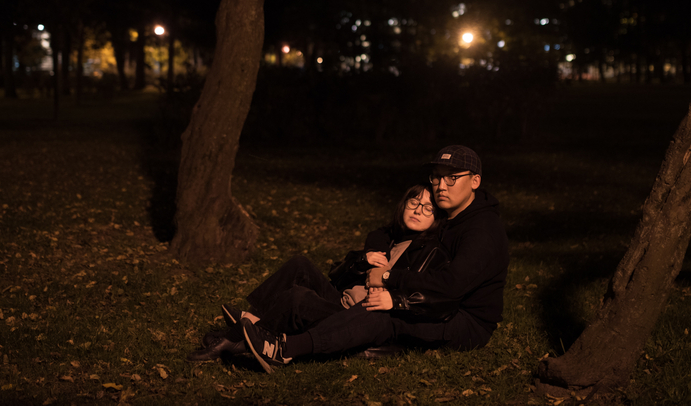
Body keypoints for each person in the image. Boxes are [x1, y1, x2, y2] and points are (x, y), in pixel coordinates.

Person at [241, 145, 509, 373]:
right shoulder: (449, 213)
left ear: (475, 181)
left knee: (384, 312)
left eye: (452, 178)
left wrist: (393, 288)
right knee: (303, 267)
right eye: (437, 177)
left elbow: (451, 286)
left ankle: (285, 349)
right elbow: (387, 231)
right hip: (432, 301)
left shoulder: (482, 230)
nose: (441, 186)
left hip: (462, 320)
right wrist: (378, 257)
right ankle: (247, 328)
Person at [186, 184, 443, 362]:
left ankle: (237, 339)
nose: (418, 210)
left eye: (427, 208)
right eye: (414, 202)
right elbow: (338, 277)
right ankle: (254, 320)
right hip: (341, 298)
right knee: (300, 264)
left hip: (352, 318)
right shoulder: (388, 237)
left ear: (436, 218)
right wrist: (362, 261)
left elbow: (413, 296)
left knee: (299, 298)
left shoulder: (426, 251)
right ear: (403, 204)